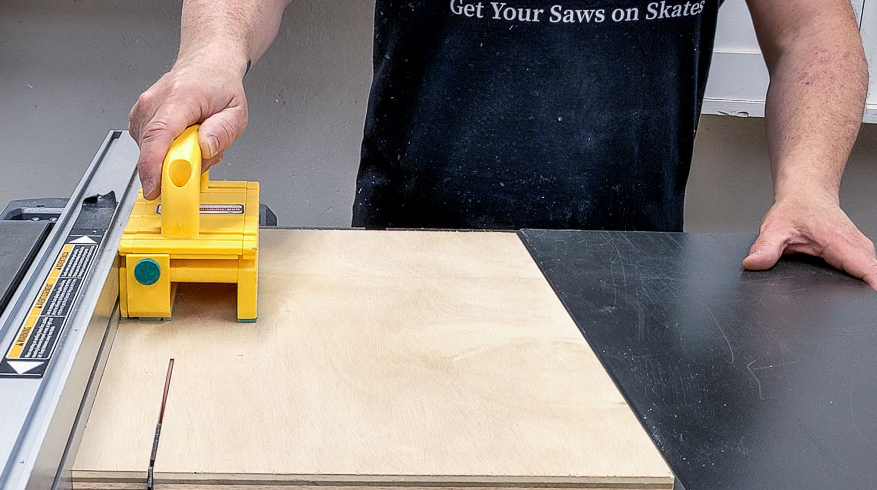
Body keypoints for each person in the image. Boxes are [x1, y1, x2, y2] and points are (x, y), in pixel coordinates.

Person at [129, 0, 877, 289]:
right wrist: (213, 52)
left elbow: (813, 29)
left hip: (629, 285)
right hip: (406, 270)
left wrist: (808, 184)